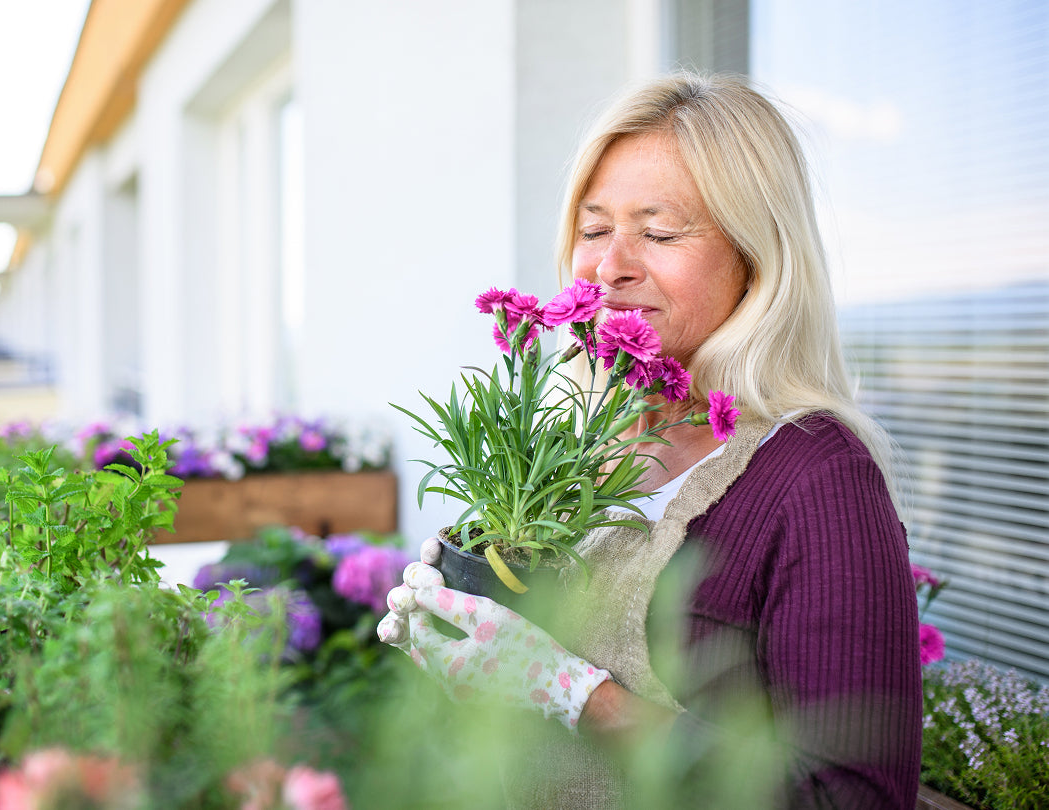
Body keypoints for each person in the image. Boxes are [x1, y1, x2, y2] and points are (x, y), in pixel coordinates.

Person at [378, 72, 922, 809]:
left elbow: (852, 796)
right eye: (594, 229)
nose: (609, 267)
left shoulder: (818, 477)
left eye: (660, 233)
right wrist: (462, 644)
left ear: (756, 261)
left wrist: (578, 695)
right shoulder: (569, 448)